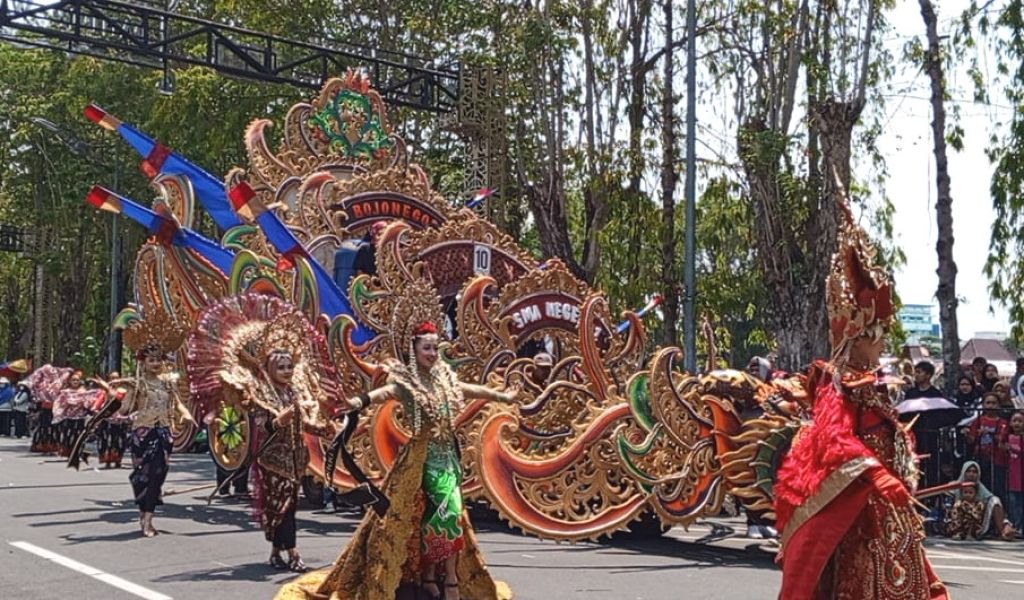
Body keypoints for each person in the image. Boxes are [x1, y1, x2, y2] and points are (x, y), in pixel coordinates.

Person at [773, 203, 947, 599]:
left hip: (882, 509)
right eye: (876, 335)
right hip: (857, 508)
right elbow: (835, 439)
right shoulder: (839, 383)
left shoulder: (873, 383)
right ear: (856, 337)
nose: (881, 343)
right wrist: (877, 474)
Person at [298, 290, 516, 600]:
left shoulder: (444, 379)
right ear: (414, 350)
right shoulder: (406, 381)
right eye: (427, 348)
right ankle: (450, 580)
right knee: (447, 511)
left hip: (448, 459)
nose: (433, 353)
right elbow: (382, 394)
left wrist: (502, 396)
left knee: (435, 516)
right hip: (420, 460)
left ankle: (429, 576)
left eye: (435, 348)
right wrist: (355, 402)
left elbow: (469, 389)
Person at [189, 293, 337, 571]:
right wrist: (279, 419)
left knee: (288, 508)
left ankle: (279, 551)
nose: (286, 371)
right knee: (277, 508)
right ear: (269, 367)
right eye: (280, 367)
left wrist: (325, 428)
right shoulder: (260, 392)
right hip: (271, 459)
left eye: (289, 366)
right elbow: (261, 424)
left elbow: (305, 423)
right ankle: (290, 553)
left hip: (296, 460)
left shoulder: (296, 391)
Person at [111, 344, 196, 537]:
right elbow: (124, 408)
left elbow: (178, 403)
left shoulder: (168, 383)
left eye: (158, 359)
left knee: (158, 474)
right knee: (142, 476)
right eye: (151, 360)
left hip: (164, 433)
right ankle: (143, 510)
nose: (156, 363)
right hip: (142, 434)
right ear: (144, 362)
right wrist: (113, 401)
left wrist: (185, 414)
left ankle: (148, 518)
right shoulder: (138, 385)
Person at [950, 460, 1014, 539]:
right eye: (968, 471)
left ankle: (1003, 532)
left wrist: (1005, 523)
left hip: (976, 525)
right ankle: (958, 533)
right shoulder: (954, 486)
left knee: (994, 500)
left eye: (974, 472)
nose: (971, 474)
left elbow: (993, 503)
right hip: (956, 524)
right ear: (963, 472)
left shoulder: (982, 490)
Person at [965, 391, 1010, 499]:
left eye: (994, 403)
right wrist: (967, 434)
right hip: (981, 457)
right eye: (988, 403)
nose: (991, 405)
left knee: (998, 488)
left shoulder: (1004, 422)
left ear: (998, 405)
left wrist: (989, 433)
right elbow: (971, 440)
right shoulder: (978, 420)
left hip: (998, 459)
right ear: (983, 405)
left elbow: (1003, 440)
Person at [1007, 411, 1024, 533]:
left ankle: (1020, 527)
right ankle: (1014, 526)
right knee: (1013, 502)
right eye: (1015, 421)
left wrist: (1012, 448)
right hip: (1012, 474)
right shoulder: (1008, 437)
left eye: (1020, 421)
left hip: (1021, 473)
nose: (1017, 423)